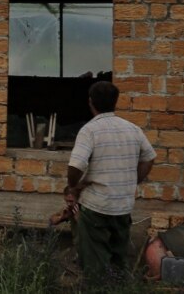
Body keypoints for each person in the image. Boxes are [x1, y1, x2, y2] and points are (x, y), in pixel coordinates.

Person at [66, 81, 156, 283]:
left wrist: (73, 186)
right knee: (118, 263)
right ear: (116, 102)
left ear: (90, 102)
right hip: (122, 207)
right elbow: (149, 158)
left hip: (96, 207)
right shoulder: (132, 129)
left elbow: (76, 166)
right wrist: (134, 181)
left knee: (95, 268)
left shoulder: (90, 131)